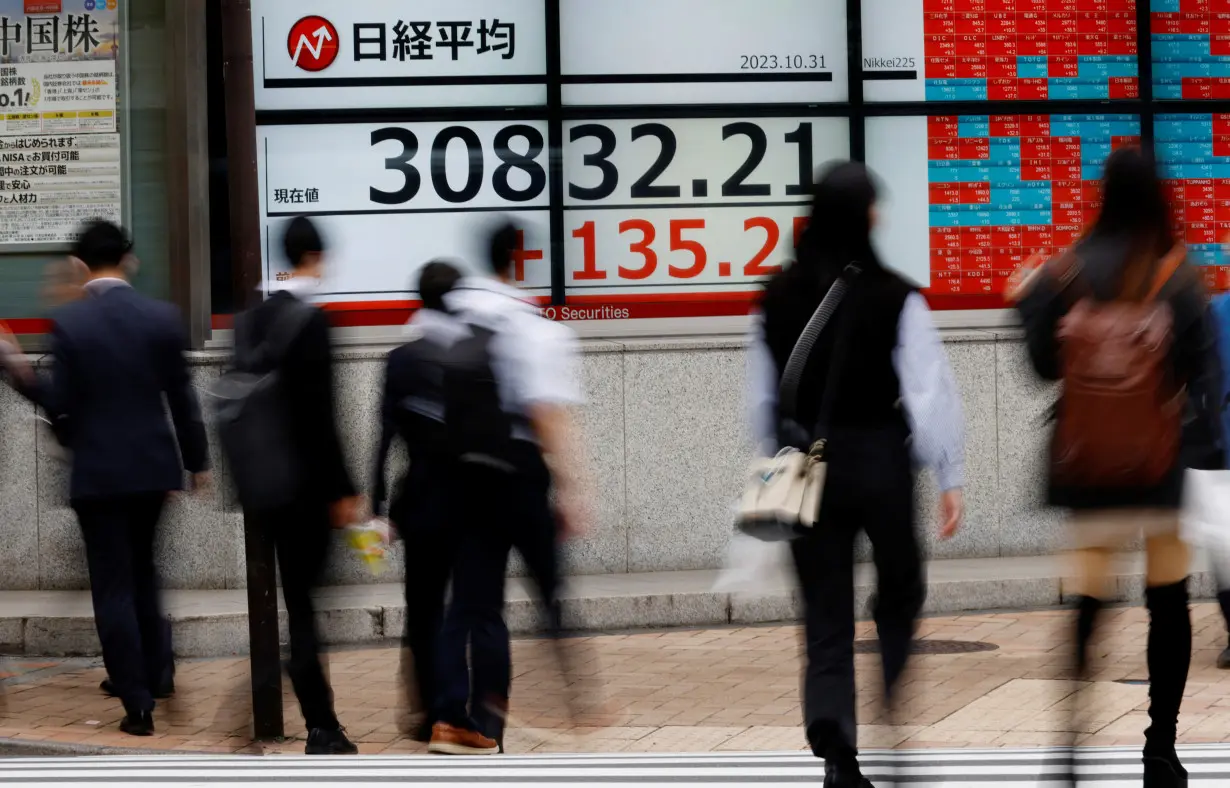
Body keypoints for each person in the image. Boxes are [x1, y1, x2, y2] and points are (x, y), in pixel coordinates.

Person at [746, 162, 966, 788]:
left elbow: (761, 397)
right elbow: (929, 392)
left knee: (823, 608)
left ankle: (837, 745)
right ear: (865, 215)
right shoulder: (896, 293)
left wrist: (776, 460)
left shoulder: (776, 294)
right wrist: (949, 473)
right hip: (880, 462)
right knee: (901, 586)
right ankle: (892, 687)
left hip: (803, 464)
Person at [1012, 146, 1214, 788]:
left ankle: (1070, 745)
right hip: (1158, 470)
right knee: (1169, 605)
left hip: (1090, 471)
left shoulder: (1063, 273)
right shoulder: (1177, 276)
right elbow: (1205, 377)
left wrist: (1026, 306)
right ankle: (1160, 749)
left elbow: (1043, 367)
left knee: (1090, 605)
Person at [0, 220, 209, 736]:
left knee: (113, 585)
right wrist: (197, 461)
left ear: (80, 265)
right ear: (128, 260)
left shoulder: (71, 323)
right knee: (145, 573)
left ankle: (137, 703)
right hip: (153, 467)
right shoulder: (161, 317)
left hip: (98, 473)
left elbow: (63, 404)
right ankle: (158, 674)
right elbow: (182, 400)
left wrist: (20, 373)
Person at [428, 221, 592, 756]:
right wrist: (570, 486)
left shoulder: (457, 315)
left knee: (472, 602)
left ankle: (452, 719)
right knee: (549, 591)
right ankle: (569, 701)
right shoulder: (531, 324)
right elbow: (544, 411)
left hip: (465, 472)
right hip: (518, 472)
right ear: (518, 257)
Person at [234, 216, 362, 755]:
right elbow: (322, 417)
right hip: (308, 489)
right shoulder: (314, 322)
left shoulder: (252, 319)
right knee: (307, 604)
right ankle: (321, 725)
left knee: (295, 600)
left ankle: (311, 707)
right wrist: (346, 490)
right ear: (316, 256)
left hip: (263, 485)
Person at [371, 260, 468, 741]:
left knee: (423, 604)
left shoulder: (401, 359)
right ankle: (458, 708)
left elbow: (384, 437)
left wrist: (376, 508)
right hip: (468, 498)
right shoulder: (472, 355)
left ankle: (428, 708)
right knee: (465, 604)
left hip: (421, 497)